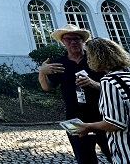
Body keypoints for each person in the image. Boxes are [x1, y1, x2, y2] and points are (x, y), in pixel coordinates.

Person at [75, 37, 130, 163]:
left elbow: (115, 123)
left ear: (96, 58)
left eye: (89, 55)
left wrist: (87, 126)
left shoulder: (109, 81)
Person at [38, 24, 111, 164]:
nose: (73, 42)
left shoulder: (96, 60)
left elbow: (114, 86)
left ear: (82, 40)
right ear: (63, 42)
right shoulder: (59, 63)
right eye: (68, 39)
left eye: (76, 39)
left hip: (103, 117)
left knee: (115, 156)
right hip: (75, 119)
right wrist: (42, 72)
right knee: (84, 159)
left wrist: (93, 84)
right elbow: (47, 87)